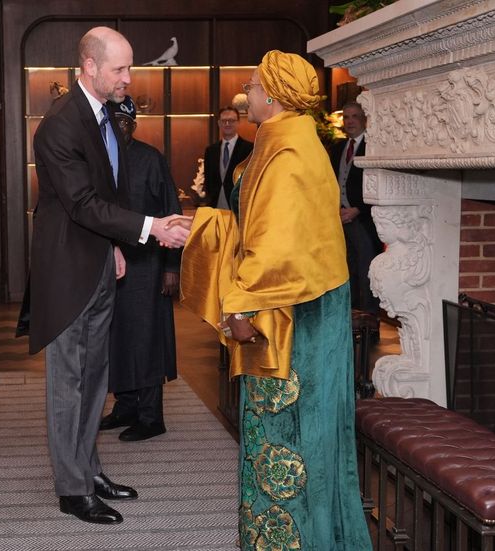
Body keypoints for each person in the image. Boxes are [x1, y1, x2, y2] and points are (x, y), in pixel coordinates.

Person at [172, 51, 371, 549]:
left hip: (290, 319)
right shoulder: (283, 142)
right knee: (291, 439)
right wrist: (195, 226)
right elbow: (257, 227)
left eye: (255, 84)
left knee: (288, 441)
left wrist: (236, 307)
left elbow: (276, 250)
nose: (247, 87)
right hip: (295, 305)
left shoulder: (285, 153)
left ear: (276, 96)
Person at [29, 26, 189, 525]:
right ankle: (72, 489)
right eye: (119, 68)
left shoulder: (98, 115)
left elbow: (106, 197)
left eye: (129, 66)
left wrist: (117, 247)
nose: (128, 77)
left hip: (99, 261)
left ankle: (89, 468)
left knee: (96, 379)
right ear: (90, 67)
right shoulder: (60, 124)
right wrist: (150, 227)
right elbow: (81, 203)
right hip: (69, 271)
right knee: (69, 384)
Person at [99, 95, 181, 442]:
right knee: (116, 338)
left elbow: (172, 213)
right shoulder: (102, 158)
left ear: (133, 124)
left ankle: (151, 416)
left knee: (146, 339)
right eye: (113, 122)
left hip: (148, 265)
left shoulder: (151, 159)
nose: (120, 128)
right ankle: (125, 406)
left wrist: (171, 268)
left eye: (125, 122)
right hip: (112, 262)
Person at [329, 102, 383, 316]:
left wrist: (357, 209)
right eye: (347, 117)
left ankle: (370, 318)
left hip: (364, 219)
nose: (350, 121)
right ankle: (350, 316)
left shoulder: (373, 146)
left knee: (366, 269)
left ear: (363, 119)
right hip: (340, 218)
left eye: (354, 117)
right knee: (346, 267)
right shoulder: (338, 148)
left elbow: (377, 182)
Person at [202, 106, 253, 209]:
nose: (227, 124)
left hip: (239, 206)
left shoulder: (249, 149)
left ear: (238, 122)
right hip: (215, 206)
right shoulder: (210, 150)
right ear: (219, 123)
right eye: (224, 121)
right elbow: (208, 181)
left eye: (231, 120)